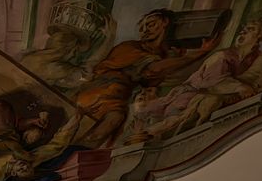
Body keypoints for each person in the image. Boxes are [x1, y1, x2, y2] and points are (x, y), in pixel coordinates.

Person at [75, 9, 219, 148]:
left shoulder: (161, 54)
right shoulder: (129, 47)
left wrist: (176, 58)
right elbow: (154, 69)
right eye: (142, 27)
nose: (144, 30)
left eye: (150, 24)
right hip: (97, 94)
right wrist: (199, 53)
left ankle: (77, 155)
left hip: (117, 102)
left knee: (110, 126)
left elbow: (152, 80)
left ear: (165, 22)